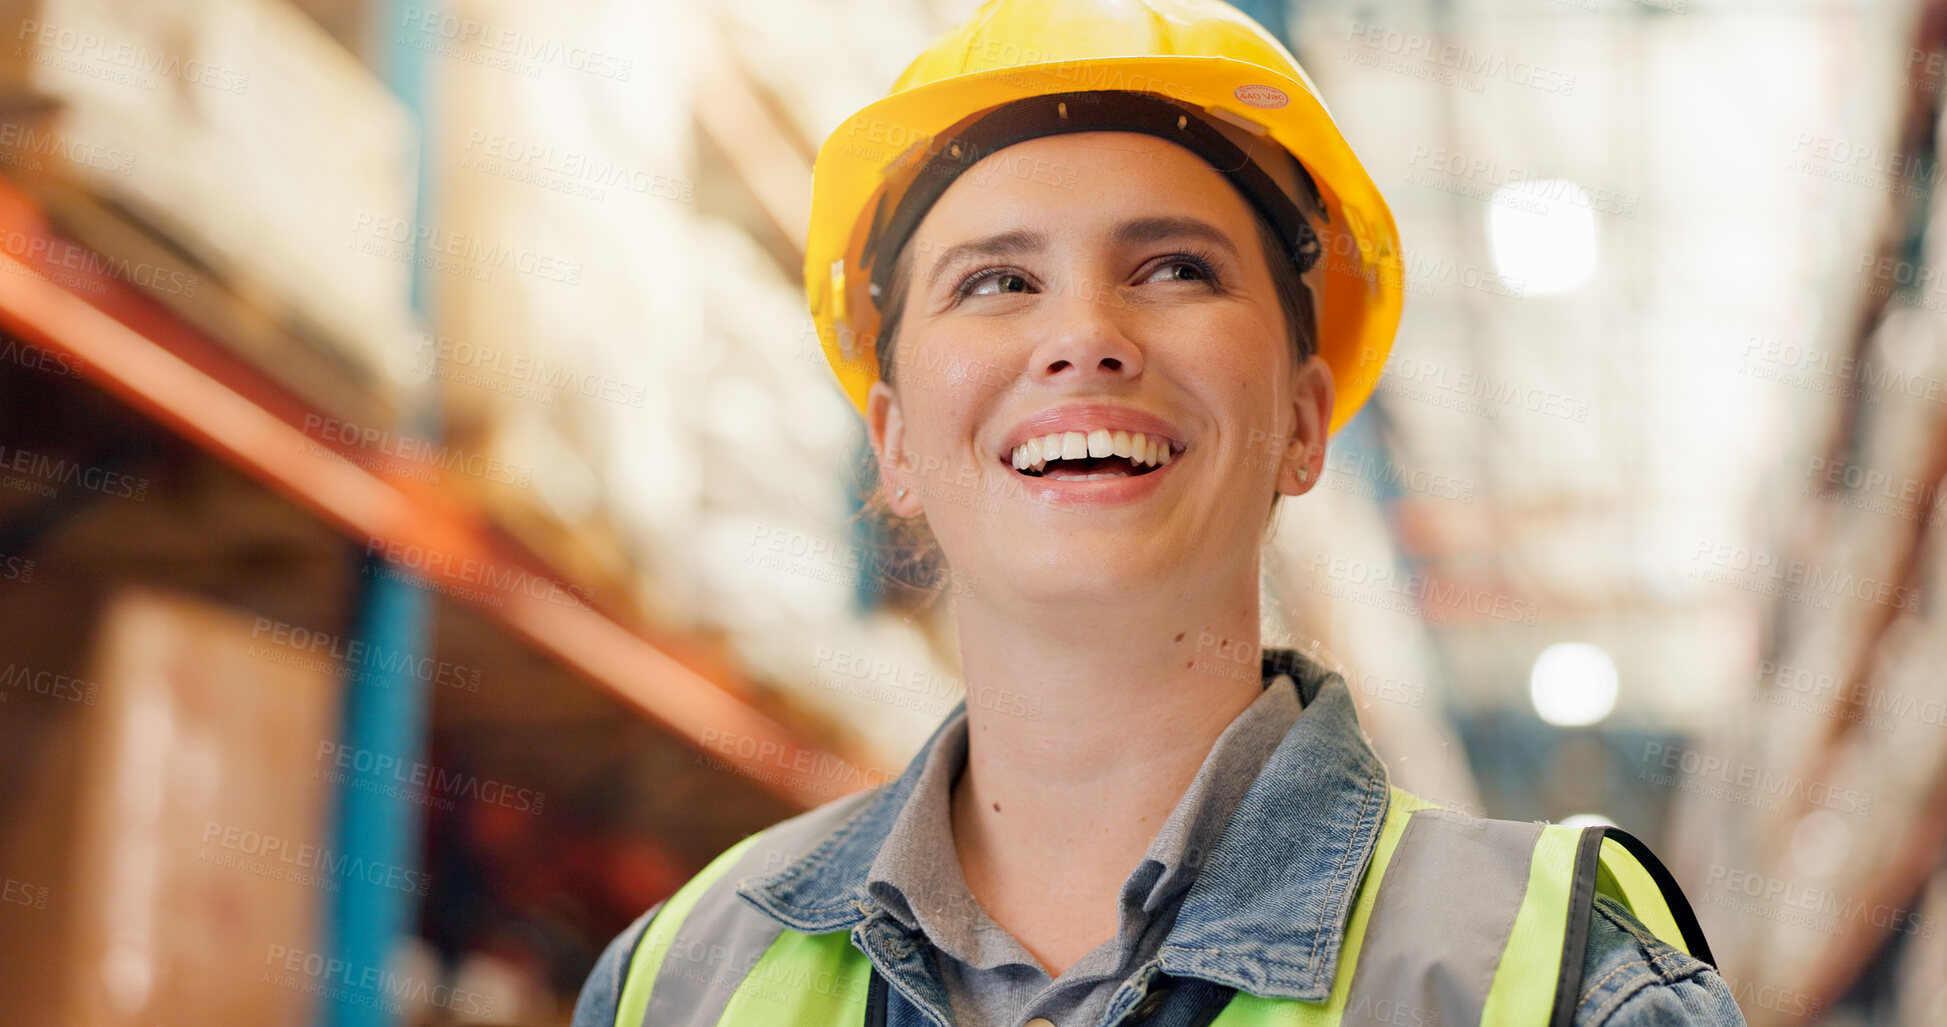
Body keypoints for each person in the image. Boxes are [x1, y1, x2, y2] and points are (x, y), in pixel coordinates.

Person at [576, 0, 1748, 1024]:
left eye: (1176, 268)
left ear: (1301, 420)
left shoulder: (1562, 981)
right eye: (996, 281)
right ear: (895, 443)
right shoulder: (679, 980)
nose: (1083, 334)